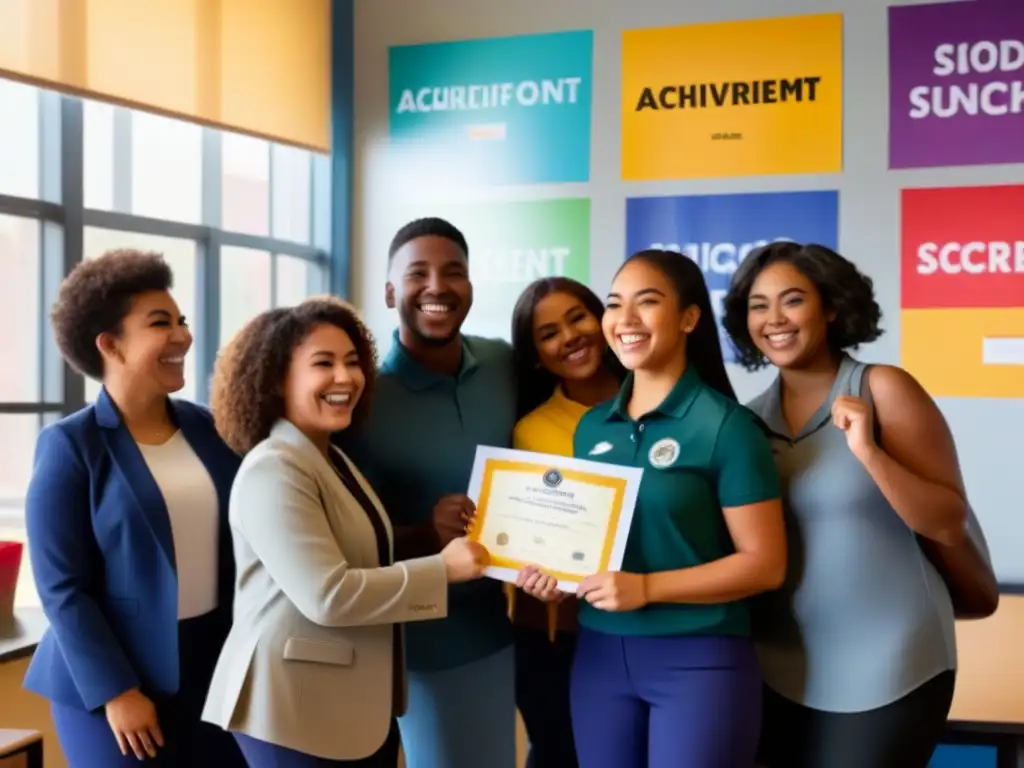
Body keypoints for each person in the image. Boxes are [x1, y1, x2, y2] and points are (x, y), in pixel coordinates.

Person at [722, 242, 997, 768]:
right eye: (759, 305)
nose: (774, 319)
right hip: (780, 666)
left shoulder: (884, 389)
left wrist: (868, 451)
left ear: (829, 307)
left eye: (792, 300)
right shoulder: (745, 423)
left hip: (893, 662)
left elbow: (946, 521)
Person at [524, 249, 787, 768]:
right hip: (598, 659)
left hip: (700, 660)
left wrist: (647, 589)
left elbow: (766, 564)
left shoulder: (727, 427)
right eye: (616, 304)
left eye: (647, 302)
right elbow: (588, 545)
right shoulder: (592, 427)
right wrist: (552, 575)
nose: (626, 319)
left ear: (689, 318)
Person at [201, 297, 490, 767]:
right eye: (324, 363)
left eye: (353, 362)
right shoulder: (274, 468)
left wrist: (430, 536)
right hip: (292, 710)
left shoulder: (327, 455)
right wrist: (444, 570)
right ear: (276, 379)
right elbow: (328, 594)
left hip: (348, 705)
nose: (346, 377)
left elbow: (358, 547)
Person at [23, 250, 245, 767]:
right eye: (160, 323)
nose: (183, 336)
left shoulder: (211, 429)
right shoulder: (69, 445)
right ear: (110, 345)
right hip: (110, 680)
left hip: (211, 669)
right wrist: (116, 692)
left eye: (181, 321)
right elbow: (61, 587)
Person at [336, 218, 517, 768]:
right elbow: (343, 536)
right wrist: (423, 534)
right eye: (417, 274)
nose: (437, 287)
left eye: (453, 273)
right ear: (390, 292)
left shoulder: (504, 363)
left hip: (494, 630)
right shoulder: (361, 396)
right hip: (413, 643)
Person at [508, 277, 623, 768]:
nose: (570, 336)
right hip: (562, 639)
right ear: (536, 356)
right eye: (548, 332)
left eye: (578, 317)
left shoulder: (659, 401)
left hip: (656, 624)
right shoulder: (531, 431)